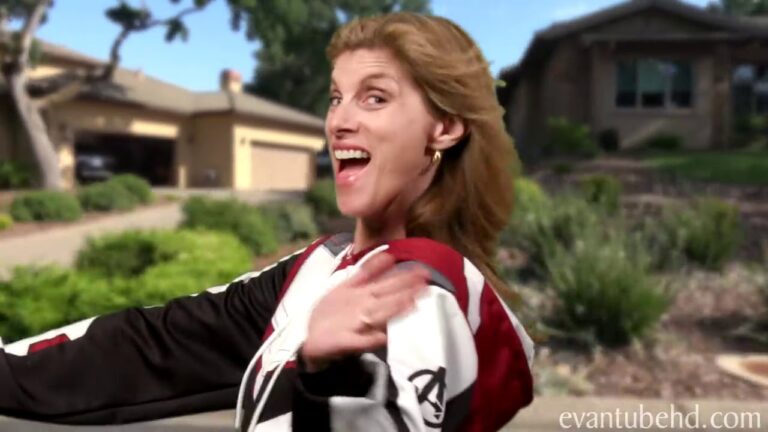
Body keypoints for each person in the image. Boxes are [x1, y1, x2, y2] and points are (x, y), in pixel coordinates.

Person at [0, 12, 534, 432]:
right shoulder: (322, 264)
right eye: (336, 97)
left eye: (375, 97)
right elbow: (157, 345)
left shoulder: (419, 293)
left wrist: (330, 378)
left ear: (444, 129)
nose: (339, 121)